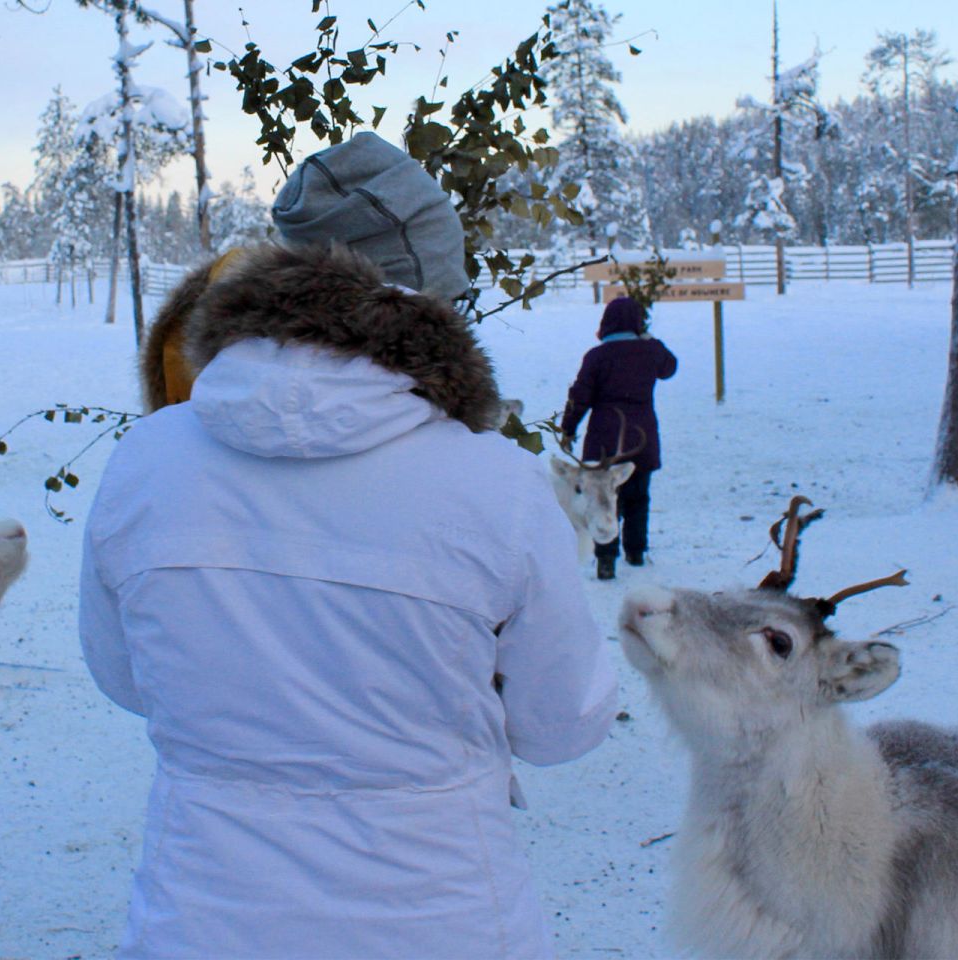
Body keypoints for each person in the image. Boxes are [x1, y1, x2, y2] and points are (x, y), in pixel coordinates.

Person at [79, 131, 617, 960]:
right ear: (430, 297)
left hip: (200, 923)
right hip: (445, 922)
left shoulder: (148, 462)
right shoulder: (496, 487)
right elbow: (563, 725)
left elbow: (126, 678)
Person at [559, 296, 678, 580]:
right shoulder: (650, 352)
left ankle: (606, 558)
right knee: (638, 496)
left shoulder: (598, 356)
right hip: (641, 436)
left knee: (603, 499)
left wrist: (568, 428)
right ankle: (636, 552)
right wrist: (649, 338)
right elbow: (670, 368)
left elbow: (580, 395)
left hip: (604, 438)